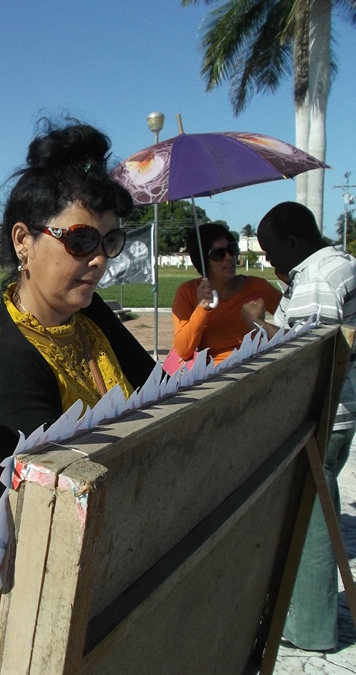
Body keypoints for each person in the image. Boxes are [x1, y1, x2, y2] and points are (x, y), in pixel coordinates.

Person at [0, 121, 156, 533]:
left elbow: (159, 388)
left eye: (109, 242)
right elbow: (64, 492)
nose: (100, 259)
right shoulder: (1, 363)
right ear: (23, 242)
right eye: (82, 240)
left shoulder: (90, 313)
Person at [242, 201, 356, 651]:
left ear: (294, 242)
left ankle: (310, 629)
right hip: (340, 410)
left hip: (321, 410)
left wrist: (260, 323)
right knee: (317, 503)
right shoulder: (339, 264)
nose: (269, 263)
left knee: (309, 514)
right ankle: (308, 614)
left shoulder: (316, 279)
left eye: (271, 253)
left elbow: (311, 354)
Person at [170, 223, 282, 368]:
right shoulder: (188, 292)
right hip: (215, 374)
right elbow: (183, 350)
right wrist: (202, 308)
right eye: (218, 254)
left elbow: (293, 322)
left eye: (232, 249)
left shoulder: (258, 287)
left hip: (257, 365)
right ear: (202, 260)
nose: (229, 257)